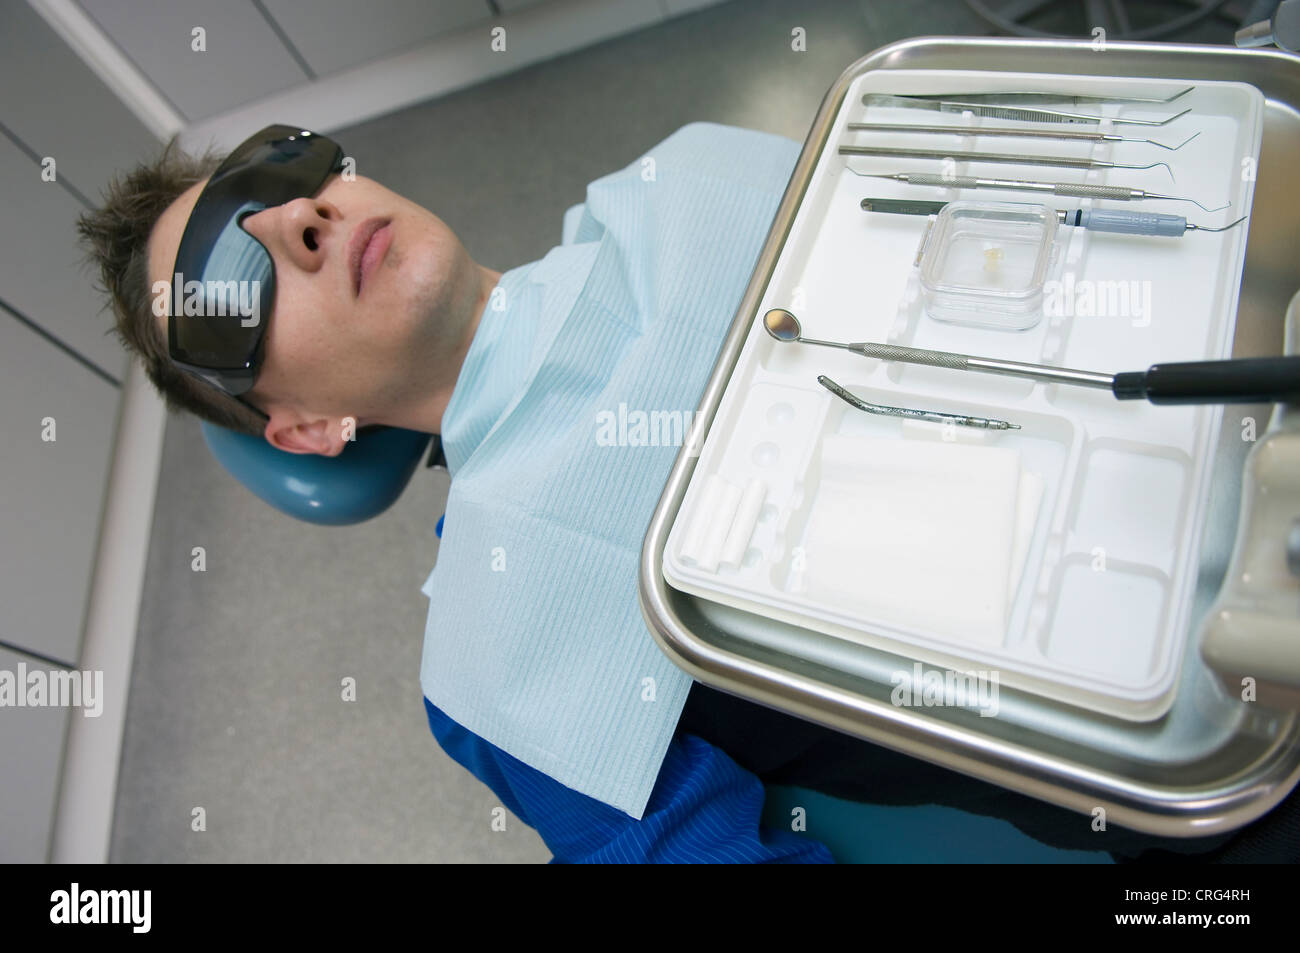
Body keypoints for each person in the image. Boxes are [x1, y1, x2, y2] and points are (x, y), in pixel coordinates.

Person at [77, 122, 1290, 864]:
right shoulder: (496, 663)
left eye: (279, 169)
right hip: (1214, 742)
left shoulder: (685, 178)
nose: (298, 214)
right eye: (229, 275)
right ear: (302, 426)